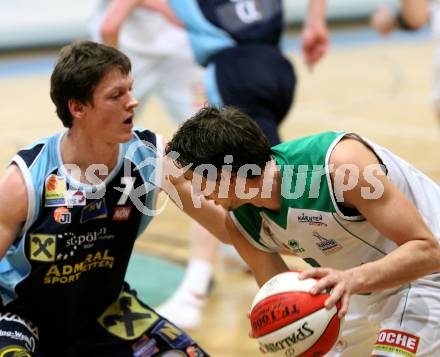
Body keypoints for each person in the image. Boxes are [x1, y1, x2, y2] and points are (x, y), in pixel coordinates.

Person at [0, 40, 231, 356]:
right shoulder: (25, 179)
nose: (132, 102)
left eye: (130, 90)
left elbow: (225, 227)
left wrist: (298, 238)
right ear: (77, 107)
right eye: (116, 95)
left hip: (106, 310)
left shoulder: (149, 157)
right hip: (23, 316)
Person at [168, 105, 440, 356]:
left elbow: (428, 251)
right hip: (355, 289)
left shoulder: (340, 166)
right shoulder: (241, 223)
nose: (197, 192)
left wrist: (351, 279)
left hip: (423, 274)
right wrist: (278, 327)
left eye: (196, 180)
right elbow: (280, 295)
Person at [156, 0, 329, 329]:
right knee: (258, 175)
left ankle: (195, 289)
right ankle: (265, 254)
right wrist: (315, 22)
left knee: (215, 170)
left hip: (233, 65)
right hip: (277, 65)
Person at [90, 0, 220, 330]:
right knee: (93, 147)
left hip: (182, 44)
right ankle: (77, 257)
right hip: (127, 42)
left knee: (210, 152)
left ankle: (197, 283)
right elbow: (110, 22)